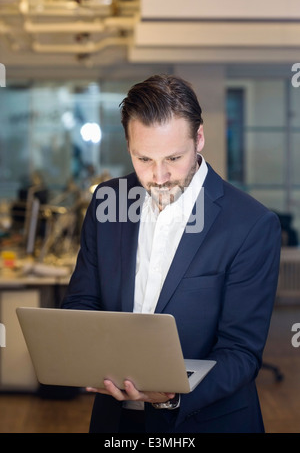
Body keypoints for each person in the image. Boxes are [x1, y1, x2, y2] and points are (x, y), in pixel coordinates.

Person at [62, 74, 281, 433]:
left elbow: (240, 353)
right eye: (143, 158)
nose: (159, 176)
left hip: (203, 421)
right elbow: (82, 301)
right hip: (116, 421)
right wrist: (89, 358)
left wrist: (171, 396)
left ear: (199, 138)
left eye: (174, 158)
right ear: (129, 144)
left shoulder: (251, 224)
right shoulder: (107, 201)